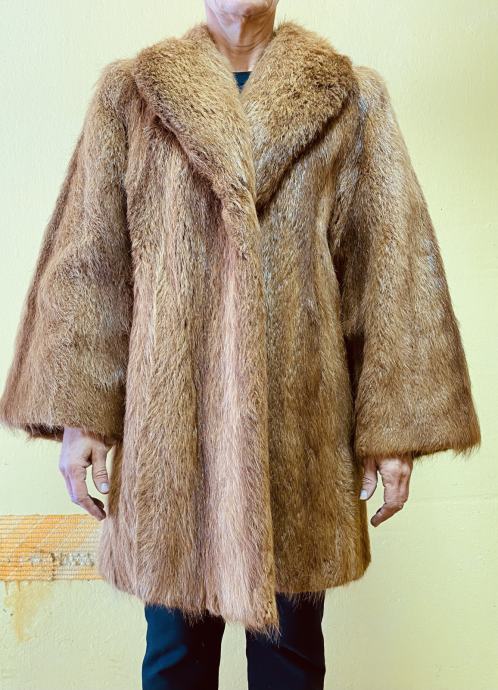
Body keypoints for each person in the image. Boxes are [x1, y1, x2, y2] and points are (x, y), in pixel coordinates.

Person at [0, 1, 481, 688]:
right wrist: (82, 418)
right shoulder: (132, 95)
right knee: (174, 663)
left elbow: (391, 267)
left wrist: (394, 429)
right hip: (173, 444)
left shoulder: (350, 99)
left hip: (297, 443)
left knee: (292, 664)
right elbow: (90, 264)